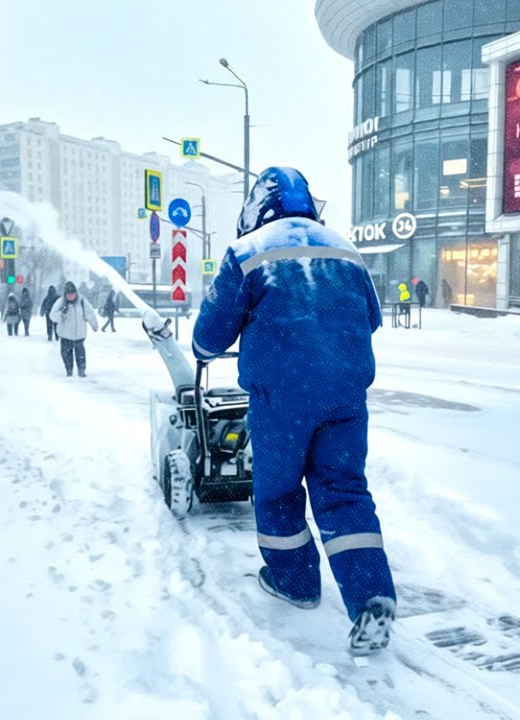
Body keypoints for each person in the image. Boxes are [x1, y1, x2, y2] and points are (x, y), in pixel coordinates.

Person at [191, 166, 395, 656]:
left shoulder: (248, 252)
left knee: (279, 492)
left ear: (258, 207)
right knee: (345, 492)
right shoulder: (345, 250)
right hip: (345, 398)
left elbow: (212, 333)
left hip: (281, 399)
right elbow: (372, 317)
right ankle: (370, 594)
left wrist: (200, 351)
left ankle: (296, 582)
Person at [48, 280, 98, 377]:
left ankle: (81, 371)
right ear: (65, 294)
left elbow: (90, 314)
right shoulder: (61, 302)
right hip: (65, 335)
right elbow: (52, 316)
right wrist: (61, 314)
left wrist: (94, 325)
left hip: (79, 335)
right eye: (69, 294)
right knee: (66, 355)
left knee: (81, 355)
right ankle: (69, 370)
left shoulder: (82, 301)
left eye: (73, 294)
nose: (71, 296)